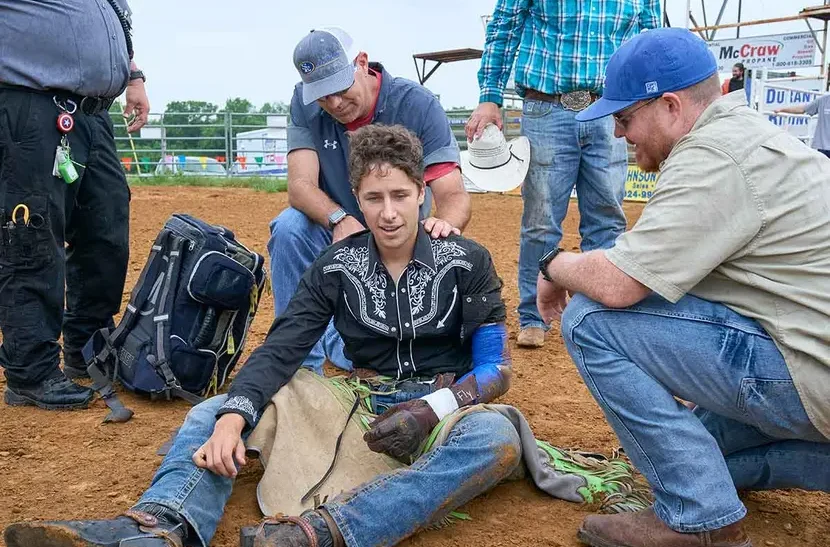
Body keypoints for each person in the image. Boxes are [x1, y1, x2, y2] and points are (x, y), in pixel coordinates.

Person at [2, 124, 522, 547]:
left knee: (495, 438)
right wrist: (235, 415)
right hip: (352, 401)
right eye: (374, 197)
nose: (388, 212)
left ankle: (321, 533)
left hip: (445, 401)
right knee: (214, 412)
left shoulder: (466, 260)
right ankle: (163, 525)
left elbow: (494, 369)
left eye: (401, 196)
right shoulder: (336, 265)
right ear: (357, 200)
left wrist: (430, 408)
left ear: (422, 194)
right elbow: (282, 349)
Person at [534, 27, 830, 547]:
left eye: (624, 118)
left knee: (591, 319)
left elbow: (619, 284)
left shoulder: (712, 157)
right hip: (813, 356)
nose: (620, 134)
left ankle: (702, 519)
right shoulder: (743, 134)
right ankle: (714, 486)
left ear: (670, 105)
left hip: (810, 372)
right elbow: (647, 256)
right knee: (704, 451)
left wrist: (553, 263)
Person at [267, 27, 471, 374]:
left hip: (397, 232)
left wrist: (440, 227)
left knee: (386, 360)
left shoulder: (417, 104)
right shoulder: (303, 103)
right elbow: (300, 185)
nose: (333, 104)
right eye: (320, 96)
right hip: (336, 230)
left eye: (339, 89)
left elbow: (452, 194)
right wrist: (338, 218)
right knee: (289, 227)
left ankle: (368, 344)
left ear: (361, 63)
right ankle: (299, 367)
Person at [465, 0, 661, 349]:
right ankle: (533, 315)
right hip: (547, 105)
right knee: (541, 219)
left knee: (607, 217)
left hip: (610, 108)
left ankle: (600, 314)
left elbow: (648, 40)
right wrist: (489, 95)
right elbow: (504, 26)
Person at [0, 0, 150, 409]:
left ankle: (89, 348)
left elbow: (116, 18)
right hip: (28, 104)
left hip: (92, 113)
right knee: (31, 234)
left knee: (106, 227)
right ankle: (29, 372)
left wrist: (132, 75)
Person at [775, 93, 830, 158]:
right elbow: (802, 109)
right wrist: (782, 110)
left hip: (824, 146)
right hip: (824, 147)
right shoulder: (823, 100)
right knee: (824, 167)